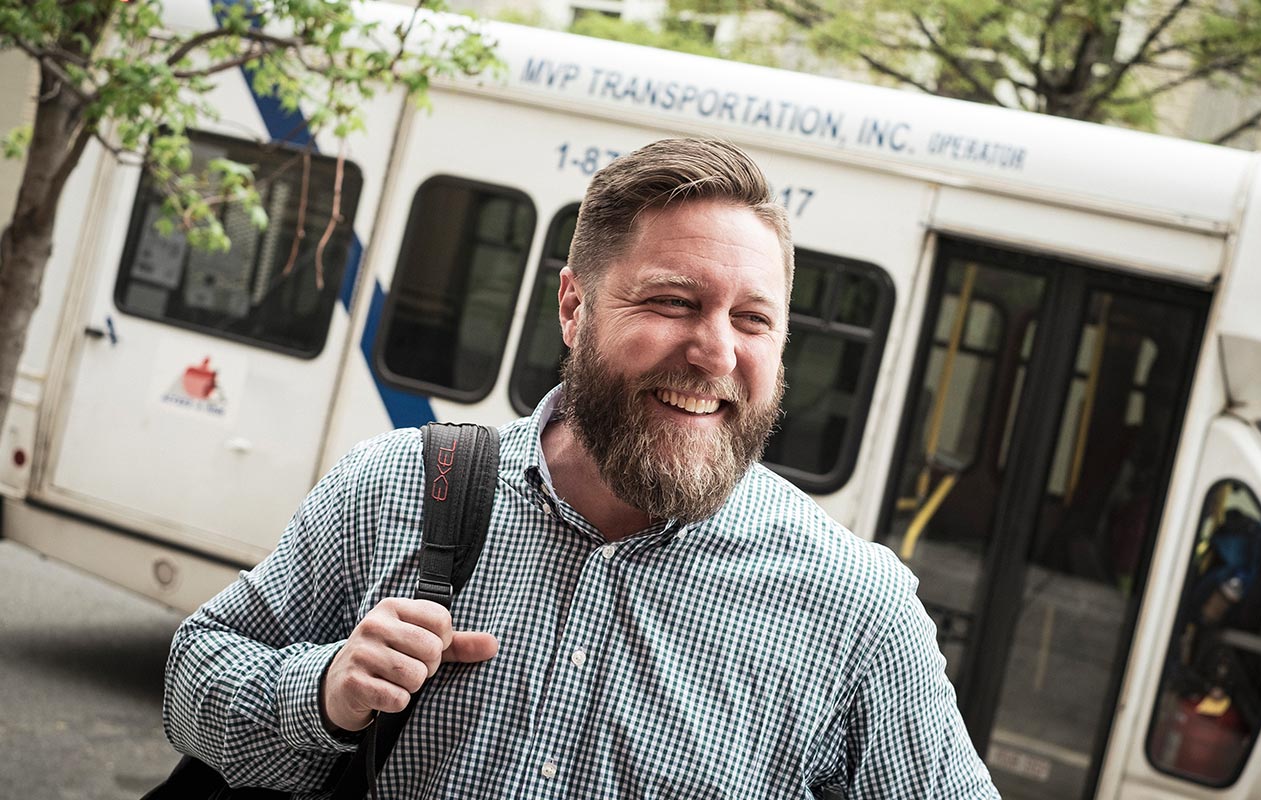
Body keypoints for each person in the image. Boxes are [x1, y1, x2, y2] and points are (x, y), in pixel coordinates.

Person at [164, 138, 999, 798]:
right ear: (574, 307)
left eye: (753, 319)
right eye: (674, 301)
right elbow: (192, 679)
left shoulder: (855, 608)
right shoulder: (397, 487)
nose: (715, 352)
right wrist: (324, 694)